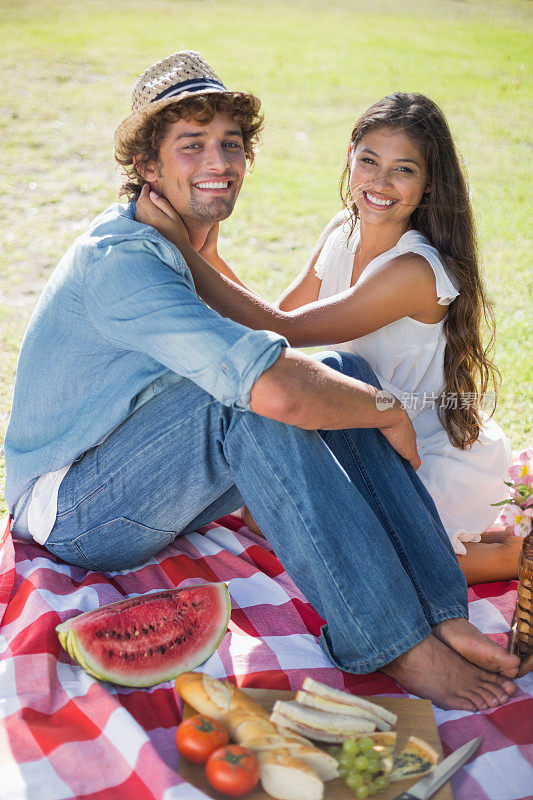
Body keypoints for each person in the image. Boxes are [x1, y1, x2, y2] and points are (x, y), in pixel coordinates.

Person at [3, 51, 520, 711]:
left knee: (340, 372)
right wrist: (389, 411)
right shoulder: (123, 263)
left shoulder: (172, 244)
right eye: (191, 146)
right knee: (255, 401)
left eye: (230, 144)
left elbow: (279, 344)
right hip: (76, 506)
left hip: (141, 468)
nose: (218, 161)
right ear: (147, 167)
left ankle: (439, 607)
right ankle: (390, 641)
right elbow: (270, 385)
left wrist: (364, 397)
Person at [138, 92, 520, 586]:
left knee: (378, 569)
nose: (380, 182)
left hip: (420, 447)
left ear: (428, 185)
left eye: (403, 170)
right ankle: (464, 539)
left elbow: (290, 331)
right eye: (369, 161)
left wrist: (181, 252)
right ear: (350, 157)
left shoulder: (413, 271)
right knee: (262, 515)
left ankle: (508, 557)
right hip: (359, 424)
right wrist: (208, 253)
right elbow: (279, 323)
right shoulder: (343, 228)